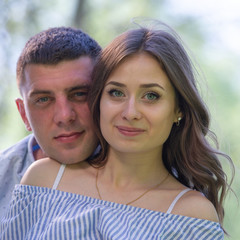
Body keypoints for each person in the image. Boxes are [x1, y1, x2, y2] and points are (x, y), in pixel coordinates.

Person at [1, 23, 234, 239]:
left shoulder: (191, 215)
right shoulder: (44, 178)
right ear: (99, 100)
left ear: (178, 110)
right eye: (116, 93)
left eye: (151, 95)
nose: (130, 112)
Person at [0, 26, 101, 219]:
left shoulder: (152, 176)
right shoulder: (3, 175)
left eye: (80, 94)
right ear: (23, 115)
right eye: (44, 99)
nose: (64, 116)